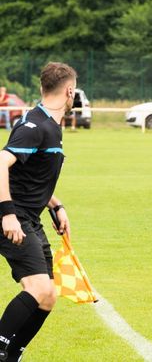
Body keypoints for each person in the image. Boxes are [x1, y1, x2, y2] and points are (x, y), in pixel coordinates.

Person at [0, 62, 77, 361]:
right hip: (13, 216)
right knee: (37, 288)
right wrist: (8, 214)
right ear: (69, 91)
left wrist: (56, 205)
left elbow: (29, 175)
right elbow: (1, 164)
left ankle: (11, 356)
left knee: (48, 297)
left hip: (29, 217)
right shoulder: (36, 126)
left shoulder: (49, 125)